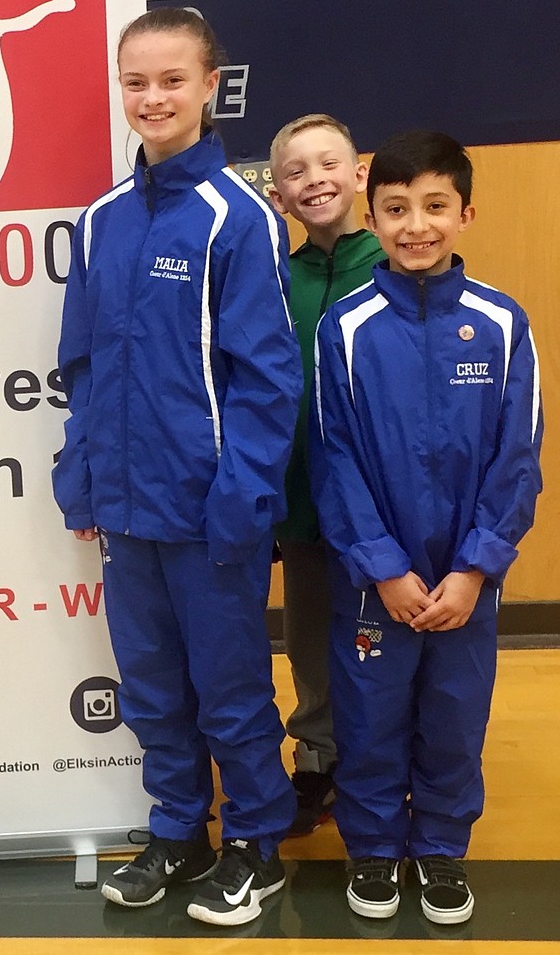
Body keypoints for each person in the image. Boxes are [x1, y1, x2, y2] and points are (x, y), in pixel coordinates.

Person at [53, 7, 303, 926]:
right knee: (152, 686)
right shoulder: (101, 220)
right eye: (135, 82)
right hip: (124, 506)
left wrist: (243, 497)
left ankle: (257, 841)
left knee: (231, 684)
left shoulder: (237, 218)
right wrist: (82, 477)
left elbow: (267, 379)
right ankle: (177, 829)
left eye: (170, 80)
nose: (151, 98)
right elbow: (80, 363)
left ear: (209, 87)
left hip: (211, 512)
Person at [310, 130, 542, 924]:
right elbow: (334, 456)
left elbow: (519, 457)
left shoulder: (503, 323)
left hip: (466, 578)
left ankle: (439, 848)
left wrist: (477, 565)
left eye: (435, 206)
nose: (417, 225)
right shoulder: (343, 328)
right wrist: (381, 564)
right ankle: (374, 848)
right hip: (381, 579)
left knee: (454, 713)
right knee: (370, 713)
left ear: (466, 212)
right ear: (370, 217)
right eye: (397, 209)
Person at [266, 115, 385, 835]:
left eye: (329, 163)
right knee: (310, 636)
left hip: (379, 510)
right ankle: (318, 756)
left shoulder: (394, 265)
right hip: (303, 503)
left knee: (376, 639)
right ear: (279, 194)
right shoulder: (278, 280)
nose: (316, 179)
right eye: (297, 171)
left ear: (360, 172)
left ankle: (379, 763)